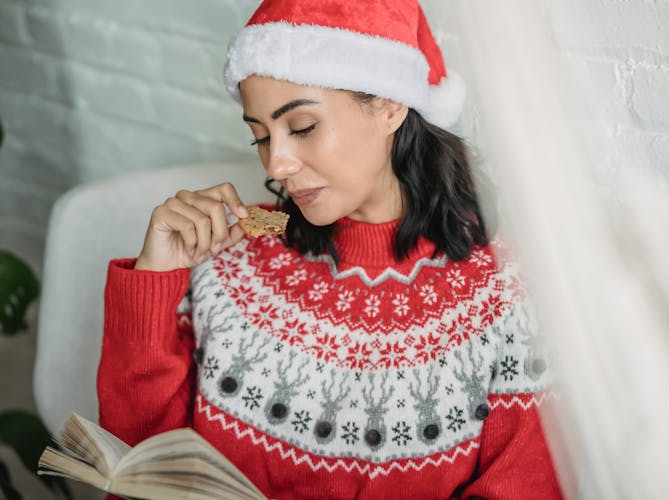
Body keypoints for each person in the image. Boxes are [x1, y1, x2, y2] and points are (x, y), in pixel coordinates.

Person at [96, 0, 564, 498]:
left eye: (301, 127)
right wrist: (154, 282)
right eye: (259, 135)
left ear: (390, 104)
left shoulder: (506, 295)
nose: (276, 165)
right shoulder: (229, 260)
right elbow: (136, 476)